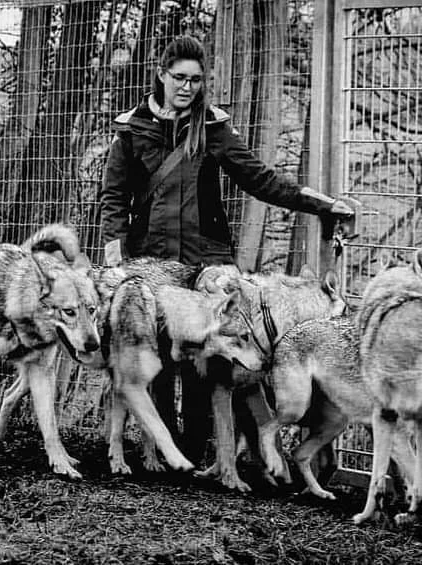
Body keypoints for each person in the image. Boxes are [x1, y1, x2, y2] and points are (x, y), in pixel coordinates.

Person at [99, 35, 355, 469]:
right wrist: (114, 250)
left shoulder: (214, 128)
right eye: (179, 77)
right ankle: (162, 452)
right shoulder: (132, 128)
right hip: (152, 260)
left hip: (206, 259)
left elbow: (261, 180)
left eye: (196, 80)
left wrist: (320, 203)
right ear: (161, 74)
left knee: (208, 360)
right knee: (155, 354)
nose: (188, 87)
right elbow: (113, 194)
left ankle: (199, 454)